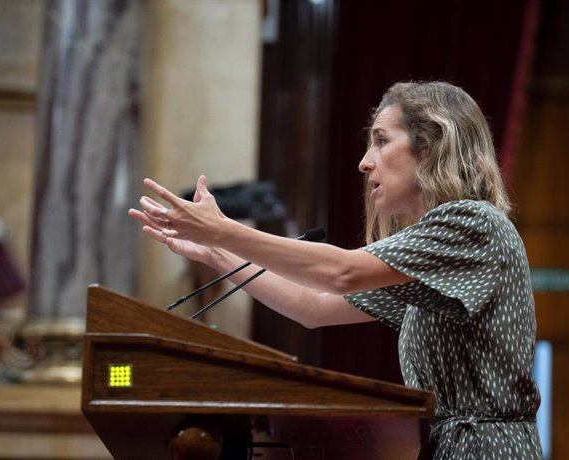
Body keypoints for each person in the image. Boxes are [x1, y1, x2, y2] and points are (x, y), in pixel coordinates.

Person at [128, 81, 543, 459]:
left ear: (432, 145)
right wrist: (216, 251)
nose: (365, 163)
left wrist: (225, 231)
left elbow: (341, 272)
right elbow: (314, 306)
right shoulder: (434, 254)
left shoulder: (474, 225)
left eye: (381, 141)